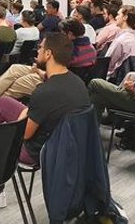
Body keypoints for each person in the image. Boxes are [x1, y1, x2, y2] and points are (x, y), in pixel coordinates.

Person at [20, 33, 91, 164]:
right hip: (69, 149)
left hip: (40, 152)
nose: (38, 50)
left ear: (48, 54)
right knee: (4, 104)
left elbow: (24, 134)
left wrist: (22, 116)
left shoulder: (44, 91)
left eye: (40, 47)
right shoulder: (79, 83)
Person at [101, 6, 135, 79]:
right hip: (134, 80)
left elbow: (108, 65)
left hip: (117, 81)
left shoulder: (120, 41)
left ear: (125, 17)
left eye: (118, 15)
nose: (116, 17)